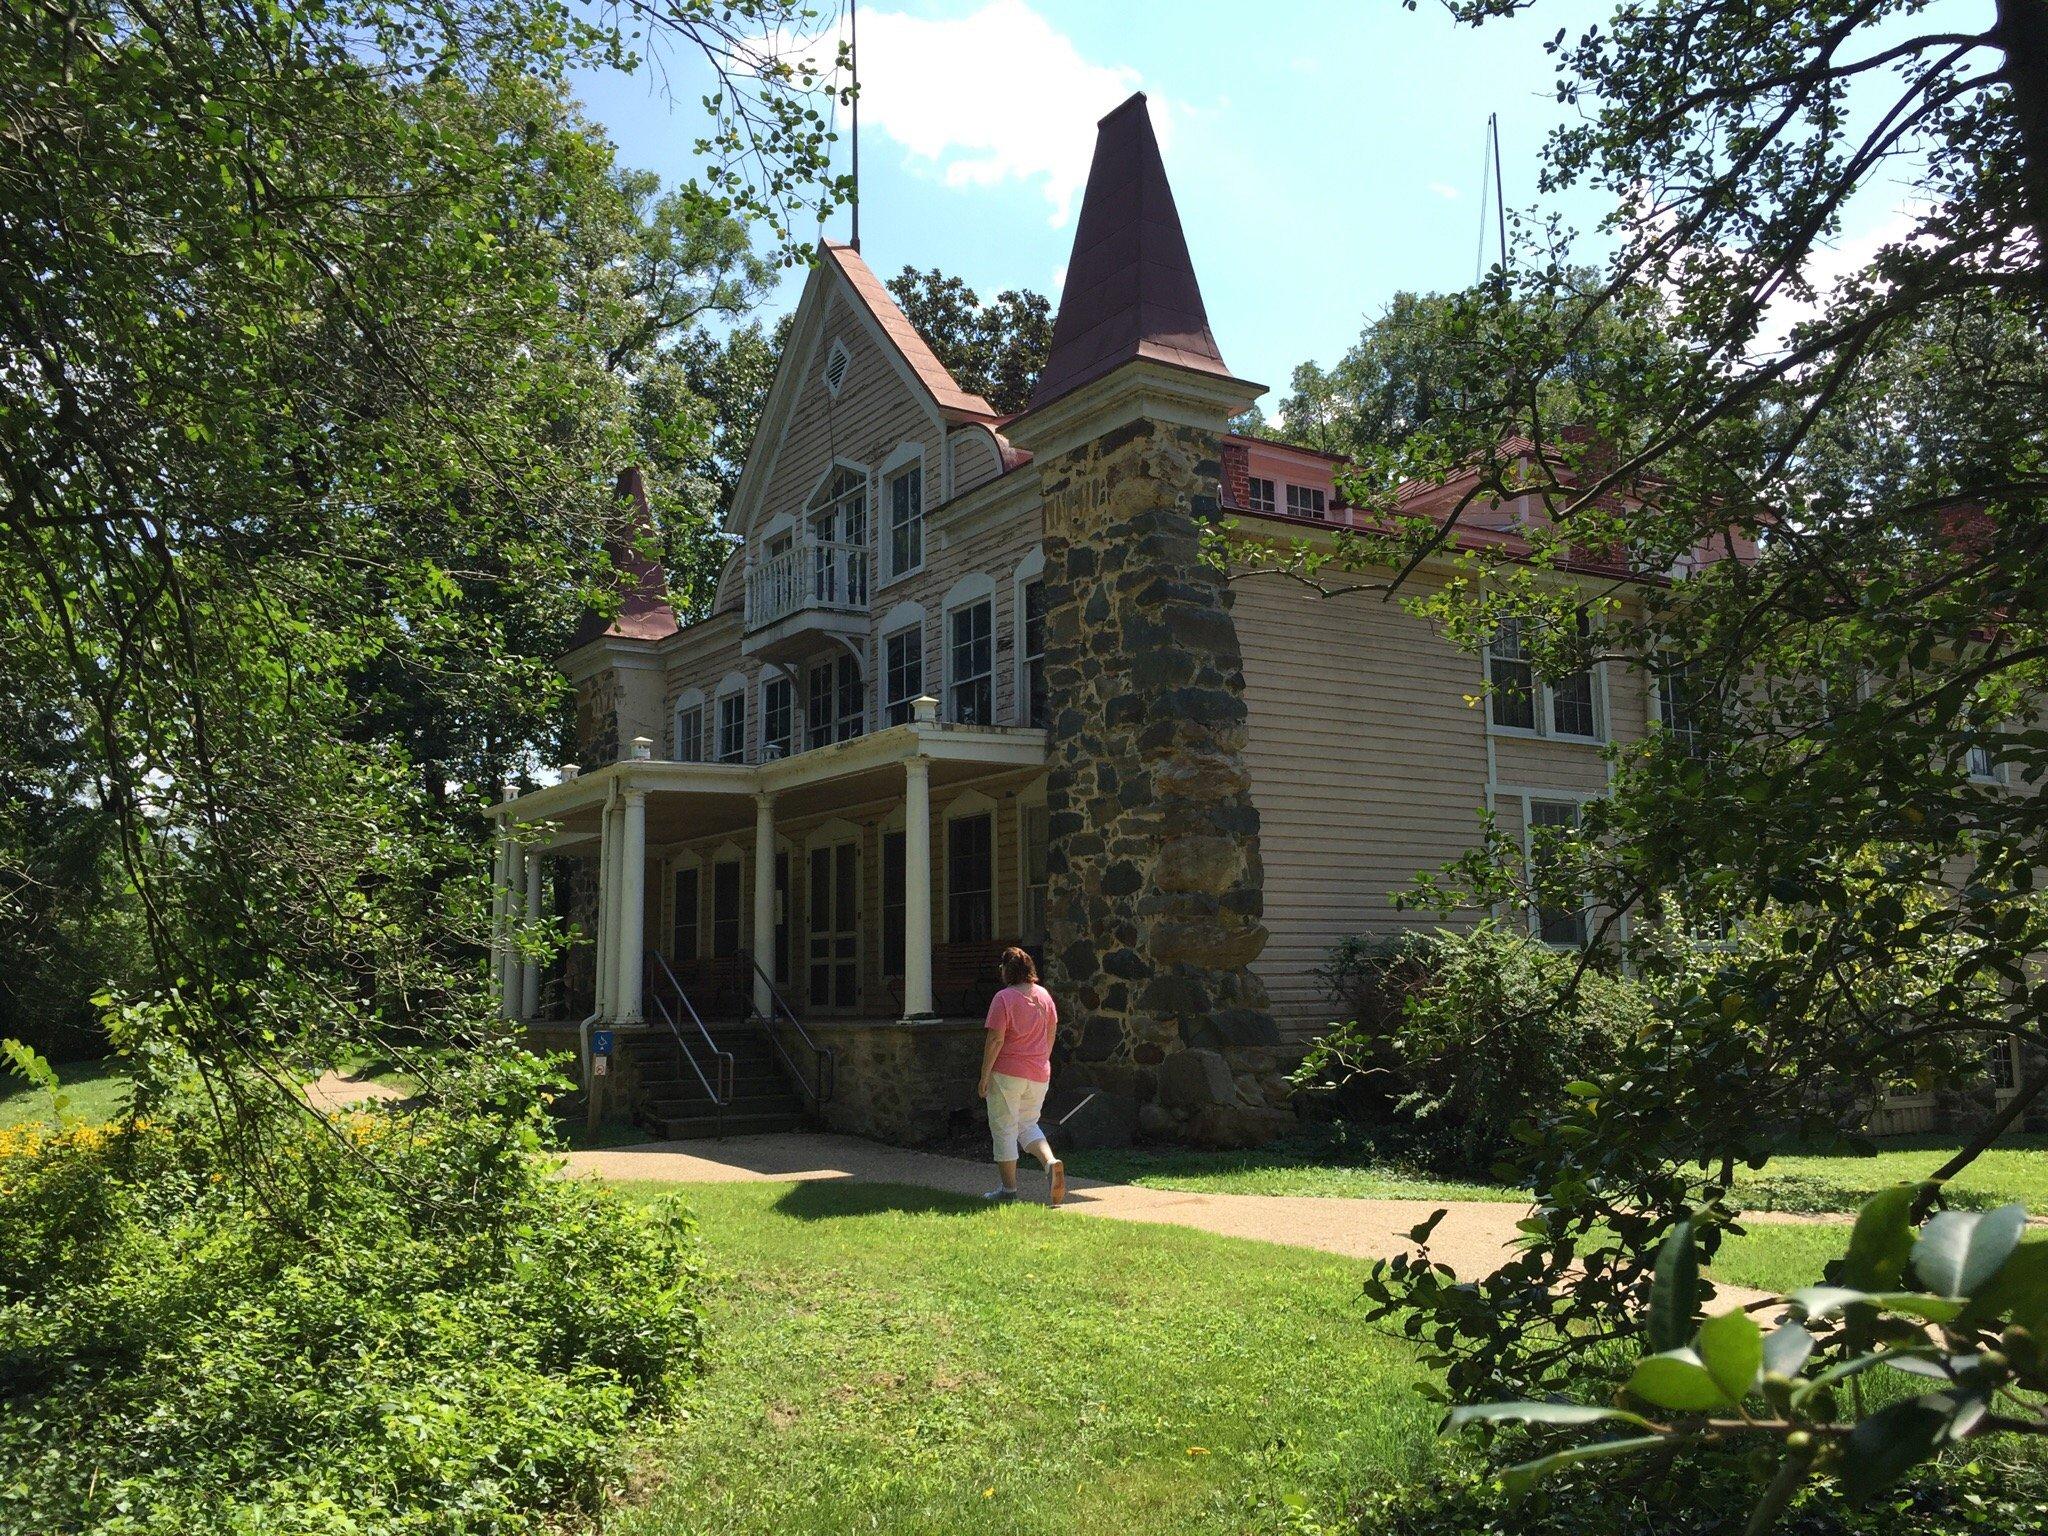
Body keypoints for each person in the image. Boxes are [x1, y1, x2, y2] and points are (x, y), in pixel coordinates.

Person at [978, 945, 1064, 1206]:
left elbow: (995, 1040)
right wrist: (1041, 1061)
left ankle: (1008, 1190)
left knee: (1004, 1128)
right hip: (1039, 1073)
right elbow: (1051, 1033)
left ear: (1006, 970)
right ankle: (1050, 1162)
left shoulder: (1003, 998)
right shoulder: (1044, 996)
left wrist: (984, 1076)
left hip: (1007, 1074)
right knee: (1028, 1125)